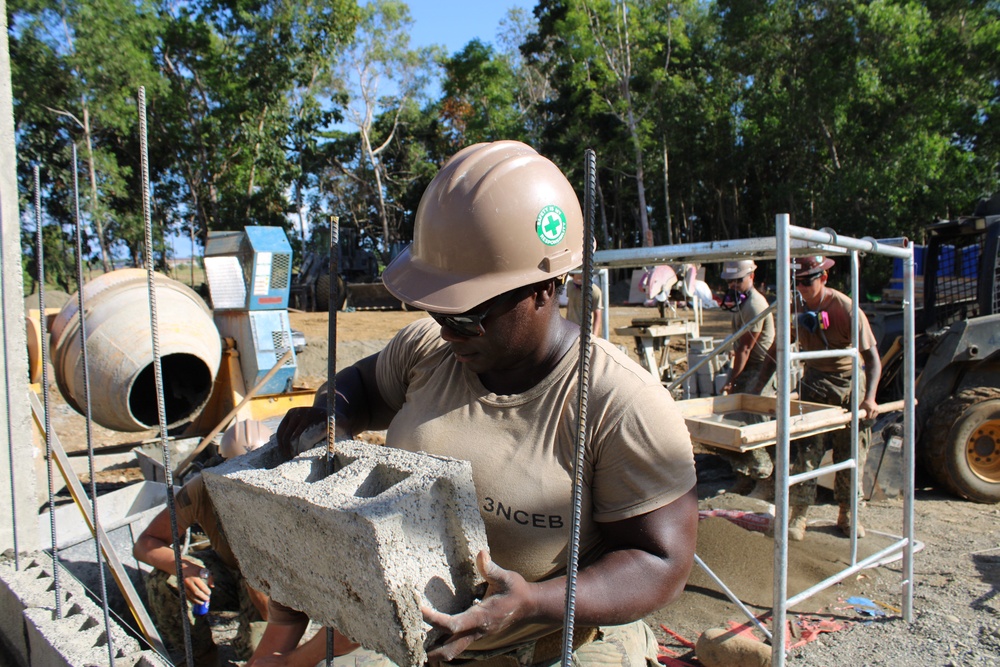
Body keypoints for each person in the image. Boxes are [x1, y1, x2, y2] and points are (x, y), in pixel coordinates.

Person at [259, 140, 699, 667]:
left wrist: (534, 601)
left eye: (467, 314)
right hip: (424, 635)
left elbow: (662, 561)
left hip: (550, 639)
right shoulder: (428, 349)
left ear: (545, 288)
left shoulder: (618, 403)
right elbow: (359, 385)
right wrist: (331, 412)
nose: (448, 330)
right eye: (438, 310)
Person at [752, 256, 882, 541]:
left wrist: (869, 399)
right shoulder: (795, 308)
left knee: (850, 452)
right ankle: (799, 515)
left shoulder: (846, 309)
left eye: (806, 281)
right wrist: (758, 387)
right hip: (815, 384)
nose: (800, 288)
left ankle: (848, 514)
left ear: (823, 279)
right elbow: (775, 351)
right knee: (806, 453)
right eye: (795, 282)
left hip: (849, 385)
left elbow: (873, 360)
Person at [134, 419, 273, 665]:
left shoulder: (285, 495)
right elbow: (146, 543)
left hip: (273, 582)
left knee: (262, 650)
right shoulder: (201, 488)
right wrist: (186, 568)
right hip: (228, 570)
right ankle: (201, 657)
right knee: (163, 580)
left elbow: (274, 606)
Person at [718, 260, 776, 498]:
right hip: (747, 366)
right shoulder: (743, 302)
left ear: (752, 275)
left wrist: (732, 380)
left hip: (760, 368)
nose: (734, 285)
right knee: (733, 425)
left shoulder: (755, 304)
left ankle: (767, 481)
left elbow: (745, 348)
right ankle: (744, 475)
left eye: (738, 280)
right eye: (731, 281)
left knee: (755, 423)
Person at [564, 269, 602, 334]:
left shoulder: (595, 291)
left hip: (585, 331)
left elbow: (597, 314)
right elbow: (569, 304)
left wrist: (595, 335)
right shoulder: (570, 284)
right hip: (570, 329)